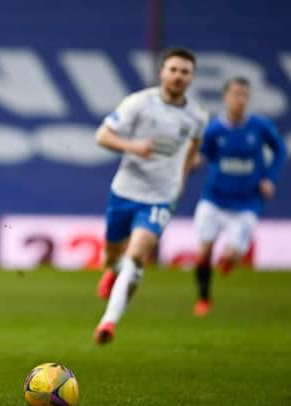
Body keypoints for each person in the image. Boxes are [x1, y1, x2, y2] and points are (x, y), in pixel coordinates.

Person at [93, 48, 208, 345]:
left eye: (185, 72)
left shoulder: (197, 114)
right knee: (112, 257)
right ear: (162, 72)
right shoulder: (139, 103)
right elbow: (102, 136)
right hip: (126, 190)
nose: (179, 76)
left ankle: (108, 323)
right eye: (174, 70)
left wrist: (180, 182)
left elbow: (194, 147)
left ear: (191, 77)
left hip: (160, 197)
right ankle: (114, 272)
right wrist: (134, 147)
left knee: (137, 253)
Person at [192, 77, 287, 316]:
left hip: (246, 201)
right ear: (225, 97)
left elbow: (280, 150)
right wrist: (188, 164)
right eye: (235, 94)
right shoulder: (214, 129)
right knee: (204, 250)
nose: (240, 100)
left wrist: (269, 178)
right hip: (214, 198)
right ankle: (204, 298)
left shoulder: (260, 127)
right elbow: (203, 155)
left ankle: (229, 260)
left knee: (235, 253)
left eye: (244, 95)